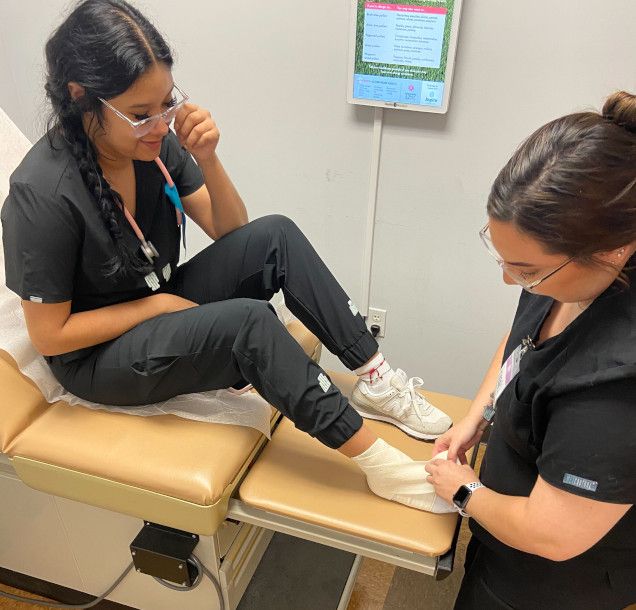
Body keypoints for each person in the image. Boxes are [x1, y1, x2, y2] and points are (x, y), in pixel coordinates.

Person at [1, 0, 454, 513]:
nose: (159, 124)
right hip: (97, 358)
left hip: (156, 302)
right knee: (249, 323)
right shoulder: (42, 194)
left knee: (275, 235)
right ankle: (379, 464)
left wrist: (208, 160)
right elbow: (49, 334)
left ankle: (373, 377)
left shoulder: (151, 145)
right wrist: (156, 309)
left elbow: (231, 230)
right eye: (141, 113)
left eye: (167, 104)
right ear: (80, 96)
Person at [425, 91, 636, 608]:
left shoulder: (616, 387)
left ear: (612, 252)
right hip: (503, 528)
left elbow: (552, 534)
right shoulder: (563, 269)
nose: (509, 280)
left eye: (525, 271)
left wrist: (463, 491)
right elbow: (521, 340)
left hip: (554, 581)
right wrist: (477, 416)